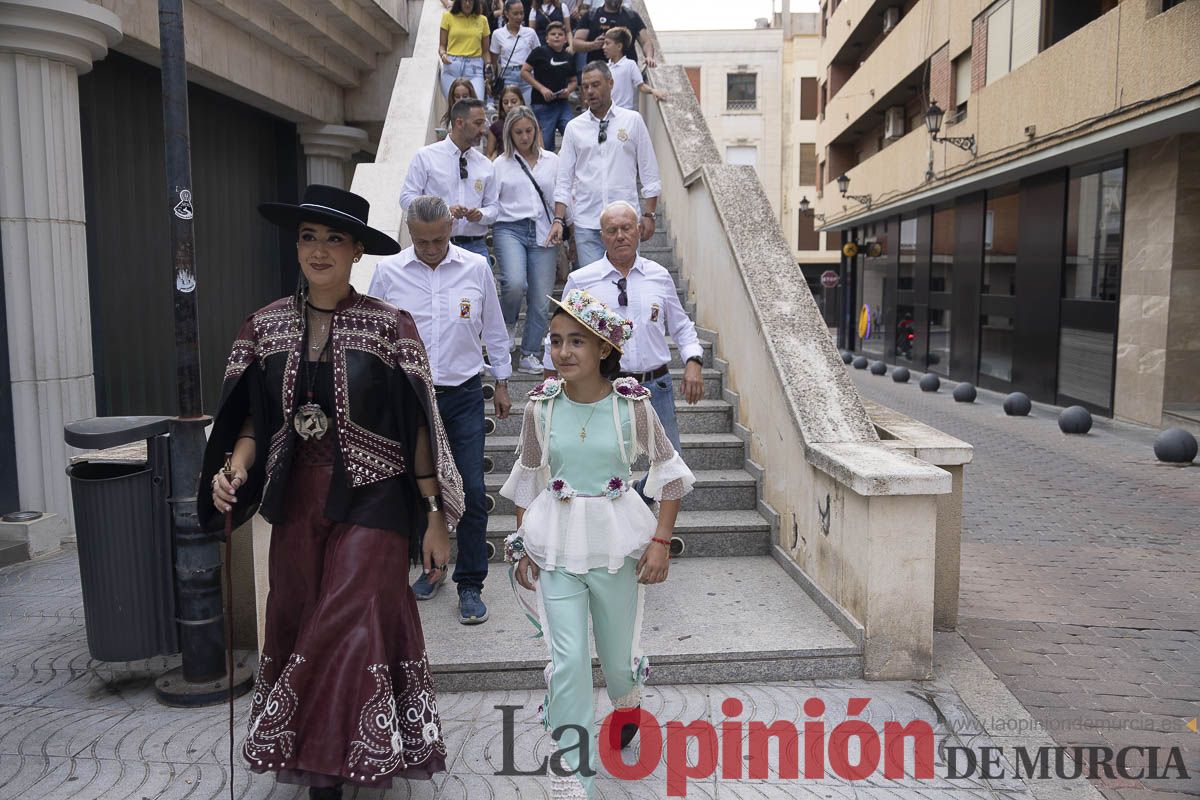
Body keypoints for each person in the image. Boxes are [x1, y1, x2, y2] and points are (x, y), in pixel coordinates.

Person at [200, 185, 462, 799]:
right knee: (298, 613)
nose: (319, 251)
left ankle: (329, 772)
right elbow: (250, 420)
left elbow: (418, 427)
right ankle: (323, 756)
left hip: (376, 497)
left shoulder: (390, 326)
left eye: (334, 239)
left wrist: (433, 515)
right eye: (308, 237)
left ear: (356, 251)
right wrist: (234, 468)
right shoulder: (263, 326)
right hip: (296, 499)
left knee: (348, 617)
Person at [501, 288, 695, 800]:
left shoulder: (632, 407)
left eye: (577, 342)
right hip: (557, 545)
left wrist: (661, 541)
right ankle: (572, 773)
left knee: (616, 664)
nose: (563, 352)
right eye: (555, 340)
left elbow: (670, 475)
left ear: (604, 348)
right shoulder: (540, 407)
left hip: (617, 545)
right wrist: (524, 543)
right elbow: (529, 478)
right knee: (567, 661)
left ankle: (627, 704)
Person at [369, 196, 512, 625]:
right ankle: (431, 569)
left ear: (451, 228)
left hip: (463, 394)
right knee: (414, 488)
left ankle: (471, 584)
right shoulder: (388, 272)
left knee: (470, 490)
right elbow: (373, 337)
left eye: (437, 240)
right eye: (421, 242)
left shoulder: (476, 267)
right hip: (408, 398)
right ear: (410, 234)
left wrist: (502, 381)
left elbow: (494, 327)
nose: (430, 249)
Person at [543, 201, 703, 496]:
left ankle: (637, 501)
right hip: (604, 388)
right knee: (602, 467)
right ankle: (620, 512)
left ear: (639, 231)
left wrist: (693, 360)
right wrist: (551, 380)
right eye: (612, 230)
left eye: (626, 228)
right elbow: (558, 332)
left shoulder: (659, 275)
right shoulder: (582, 280)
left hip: (655, 386)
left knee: (671, 467)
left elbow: (681, 325)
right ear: (601, 236)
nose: (620, 236)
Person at [548, 61, 661, 267]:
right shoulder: (574, 128)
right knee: (592, 285)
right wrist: (558, 219)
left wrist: (649, 214)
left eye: (595, 84)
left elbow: (649, 171)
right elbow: (564, 179)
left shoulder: (633, 120)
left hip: (625, 223)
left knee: (626, 280)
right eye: (585, 86)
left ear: (610, 83)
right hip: (587, 224)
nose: (590, 91)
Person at [493, 106, 561, 375]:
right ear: (509, 133)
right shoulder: (500, 164)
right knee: (513, 283)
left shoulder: (552, 161)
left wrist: (562, 223)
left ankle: (530, 353)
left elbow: (563, 195)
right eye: (518, 132)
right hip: (509, 228)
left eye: (528, 131)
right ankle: (508, 323)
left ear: (536, 130)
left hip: (544, 230)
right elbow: (491, 202)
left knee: (541, 299)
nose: (524, 137)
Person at [400, 97, 497, 262]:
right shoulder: (426, 156)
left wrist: (480, 214)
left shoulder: (485, 164)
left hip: (475, 247)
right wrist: (441, 211)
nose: (483, 130)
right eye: (478, 123)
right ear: (459, 123)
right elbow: (406, 198)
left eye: (484, 124)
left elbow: (494, 208)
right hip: (434, 247)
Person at [522, 21, 577, 151]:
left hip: (563, 104)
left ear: (565, 39)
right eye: (553, 34)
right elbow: (524, 72)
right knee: (545, 145)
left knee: (574, 135)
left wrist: (568, 90)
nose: (556, 36)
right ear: (547, 38)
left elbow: (574, 81)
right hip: (542, 105)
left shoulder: (569, 57)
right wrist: (542, 89)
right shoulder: (539, 52)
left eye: (560, 34)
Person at [573, 0, 656, 67]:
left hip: (626, 72)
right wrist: (593, 45)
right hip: (599, 73)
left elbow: (646, 42)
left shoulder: (632, 16)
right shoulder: (591, 16)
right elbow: (576, 43)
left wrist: (649, 56)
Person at [490, 0, 541, 105]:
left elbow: (538, 56)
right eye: (515, 14)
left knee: (528, 109)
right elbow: (493, 61)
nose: (519, 17)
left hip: (527, 76)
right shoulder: (497, 34)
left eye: (521, 13)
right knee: (511, 109)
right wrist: (491, 79)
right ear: (506, 14)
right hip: (508, 76)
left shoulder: (530, 33)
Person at [603, 27, 665, 111]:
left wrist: (653, 90)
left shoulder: (630, 65)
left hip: (627, 112)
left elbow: (641, 85)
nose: (604, 47)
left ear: (619, 46)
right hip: (610, 113)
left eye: (607, 43)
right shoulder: (605, 68)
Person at [439, 0, 490, 102]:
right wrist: (443, 54)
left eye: (470, 1)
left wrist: (488, 65)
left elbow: (485, 51)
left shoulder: (482, 20)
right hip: (452, 66)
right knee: (454, 105)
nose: (467, 4)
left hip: (474, 68)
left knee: (476, 103)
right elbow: (442, 45)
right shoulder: (447, 16)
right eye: (464, 1)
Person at [487, 84, 525, 158]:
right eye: (505, 102)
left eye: (514, 101)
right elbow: (489, 155)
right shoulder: (496, 126)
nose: (509, 105)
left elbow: (539, 149)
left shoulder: (531, 123)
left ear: (521, 102)